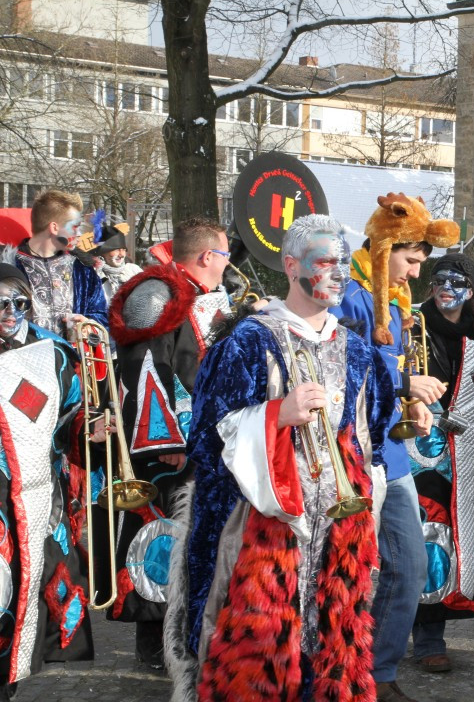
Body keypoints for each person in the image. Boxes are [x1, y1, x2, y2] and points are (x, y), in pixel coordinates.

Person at [166, 214, 392, 699]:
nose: (339, 274)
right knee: (258, 663)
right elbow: (206, 439)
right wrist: (275, 415)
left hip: (336, 535)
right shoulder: (247, 342)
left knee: (331, 655)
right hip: (264, 533)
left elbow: (368, 438)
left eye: (345, 263)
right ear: (291, 266)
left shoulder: (356, 350)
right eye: (325, 262)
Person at [331, 192, 456, 702]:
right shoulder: (348, 292)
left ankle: (378, 672)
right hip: (352, 455)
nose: (414, 275)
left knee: (410, 566)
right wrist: (406, 380)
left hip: (392, 450)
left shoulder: (395, 297)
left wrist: (413, 404)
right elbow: (343, 363)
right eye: (410, 260)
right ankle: (347, 671)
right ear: (385, 249)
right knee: (343, 571)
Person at [103, 217, 232, 670]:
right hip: (165, 442)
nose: (227, 265)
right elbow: (146, 369)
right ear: (205, 256)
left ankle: (189, 630)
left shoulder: (198, 294)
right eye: (225, 256)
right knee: (158, 533)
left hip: (202, 439)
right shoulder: (157, 292)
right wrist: (168, 440)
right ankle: (155, 642)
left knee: (195, 536)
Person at [407, 253, 474, 674]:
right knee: (427, 543)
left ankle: (439, 627)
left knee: (473, 543)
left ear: (471, 289)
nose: (446, 288)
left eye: (456, 282)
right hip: (421, 454)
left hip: (468, 455)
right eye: (439, 280)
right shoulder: (411, 325)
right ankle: (425, 638)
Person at [0, 255, 94, 699]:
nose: (9, 312)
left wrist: (90, 432)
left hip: (38, 499)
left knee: (25, 600)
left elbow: (71, 421)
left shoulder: (55, 352)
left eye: (18, 301)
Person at [14, 189, 107, 336]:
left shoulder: (82, 269)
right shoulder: (10, 267)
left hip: (71, 357)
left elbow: (101, 316)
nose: (79, 233)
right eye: (75, 226)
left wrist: (89, 324)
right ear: (54, 228)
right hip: (24, 357)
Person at [90, 223, 142, 303]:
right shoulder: (92, 274)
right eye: (117, 249)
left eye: (123, 249)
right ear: (103, 251)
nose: (121, 255)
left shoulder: (134, 271)